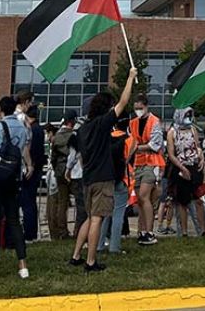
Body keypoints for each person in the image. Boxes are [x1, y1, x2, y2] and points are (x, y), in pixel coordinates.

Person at [70, 66, 138, 273]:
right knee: (97, 219)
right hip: (102, 179)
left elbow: (80, 157)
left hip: (88, 178)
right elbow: (123, 102)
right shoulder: (101, 124)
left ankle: (75, 256)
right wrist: (131, 77)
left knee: (90, 217)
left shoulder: (82, 129)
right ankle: (91, 262)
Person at [0, 96, 33, 285]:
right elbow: (24, 150)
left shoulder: (1, 126)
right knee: (14, 221)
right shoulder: (23, 127)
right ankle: (23, 266)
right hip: (13, 178)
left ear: (1, 110)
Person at [129, 93, 164, 246]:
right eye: (136, 108)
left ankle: (149, 231)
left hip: (151, 162)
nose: (138, 110)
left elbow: (155, 145)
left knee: (144, 196)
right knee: (140, 200)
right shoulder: (133, 123)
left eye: (140, 108)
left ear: (146, 106)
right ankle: (142, 230)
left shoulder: (154, 121)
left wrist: (137, 148)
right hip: (137, 164)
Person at [166, 107, 205, 238]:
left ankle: (203, 230)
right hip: (180, 168)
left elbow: (198, 147)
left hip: (194, 166)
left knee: (199, 199)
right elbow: (171, 154)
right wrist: (182, 168)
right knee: (182, 201)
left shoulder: (193, 129)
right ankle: (184, 231)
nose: (189, 118)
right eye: (186, 115)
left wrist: (201, 158)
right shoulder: (172, 132)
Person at [97, 114, 132, 256]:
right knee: (118, 214)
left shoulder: (108, 138)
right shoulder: (129, 140)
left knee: (106, 214)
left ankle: (99, 244)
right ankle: (114, 246)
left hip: (107, 178)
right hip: (122, 179)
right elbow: (130, 160)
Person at [48, 113, 77, 240]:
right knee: (80, 202)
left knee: (62, 202)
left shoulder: (56, 137)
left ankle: (62, 231)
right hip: (74, 172)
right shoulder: (74, 135)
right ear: (71, 122)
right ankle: (78, 230)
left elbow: (53, 157)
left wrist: (56, 169)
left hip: (59, 171)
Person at [22, 104, 46, 242]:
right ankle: (32, 231)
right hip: (36, 169)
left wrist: (29, 165)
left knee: (28, 202)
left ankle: (29, 232)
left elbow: (30, 150)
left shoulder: (31, 129)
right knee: (31, 202)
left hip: (30, 169)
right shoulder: (39, 129)